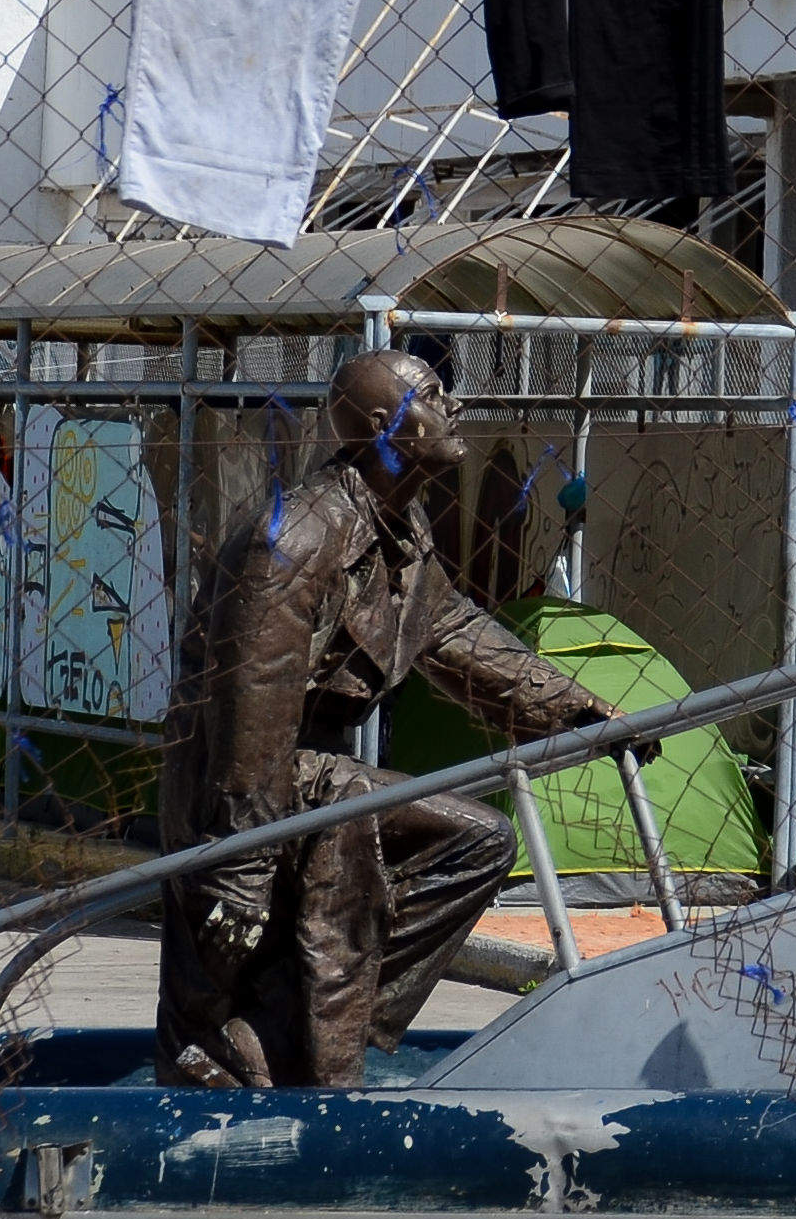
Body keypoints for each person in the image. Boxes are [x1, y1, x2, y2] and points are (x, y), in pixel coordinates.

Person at [156, 349, 616, 1086]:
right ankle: (273, 1043)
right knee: (473, 839)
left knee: (473, 846)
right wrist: (243, 864)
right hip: (244, 783)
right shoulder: (294, 541)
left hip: (309, 772)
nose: (455, 406)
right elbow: (252, 714)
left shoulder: (396, 525)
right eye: (435, 396)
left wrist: (566, 703)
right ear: (386, 428)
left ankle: (278, 1038)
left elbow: (449, 629)